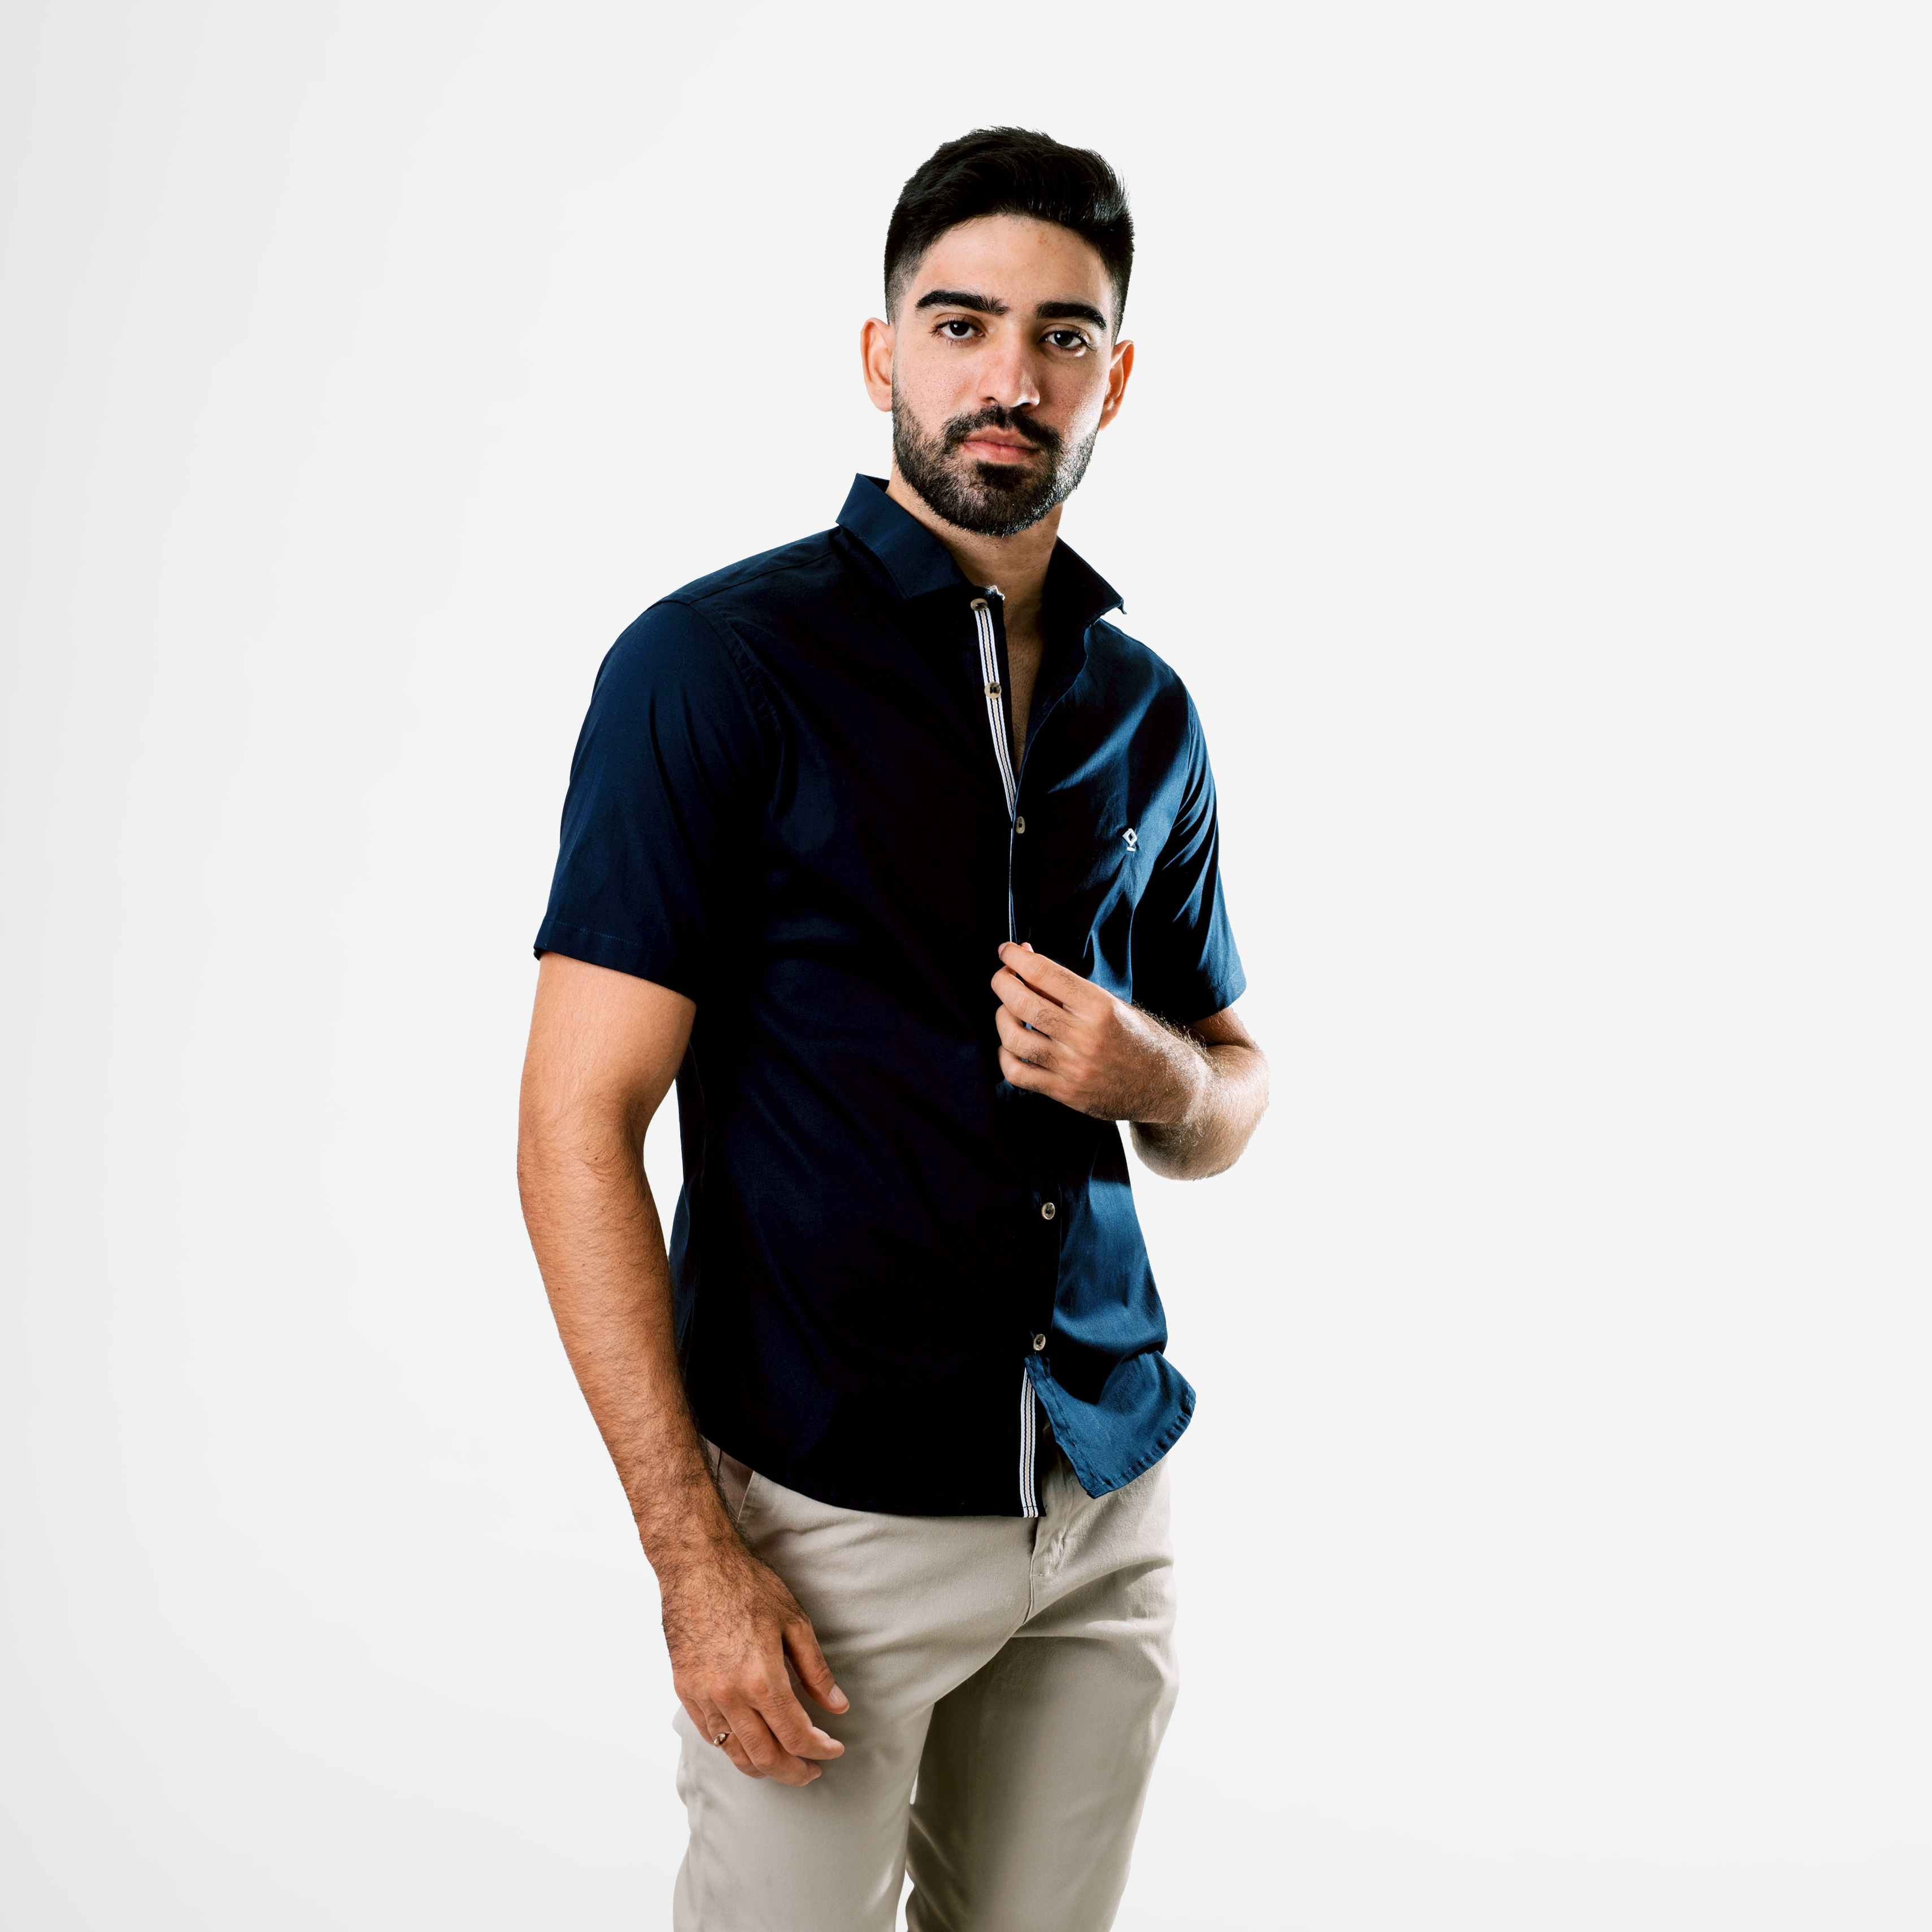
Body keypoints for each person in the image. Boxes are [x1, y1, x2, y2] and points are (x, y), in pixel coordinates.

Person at [517, 126, 1268, 1932]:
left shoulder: (1147, 713)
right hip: (827, 1517)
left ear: (1114, 378)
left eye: (1062, 336)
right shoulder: (713, 669)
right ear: (881, 354)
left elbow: (1231, 1086)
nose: (1010, 377)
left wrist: (1147, 1071)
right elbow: (571, 1127)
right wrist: (696, 1560)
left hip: (1102, 1501)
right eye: (959, 323)